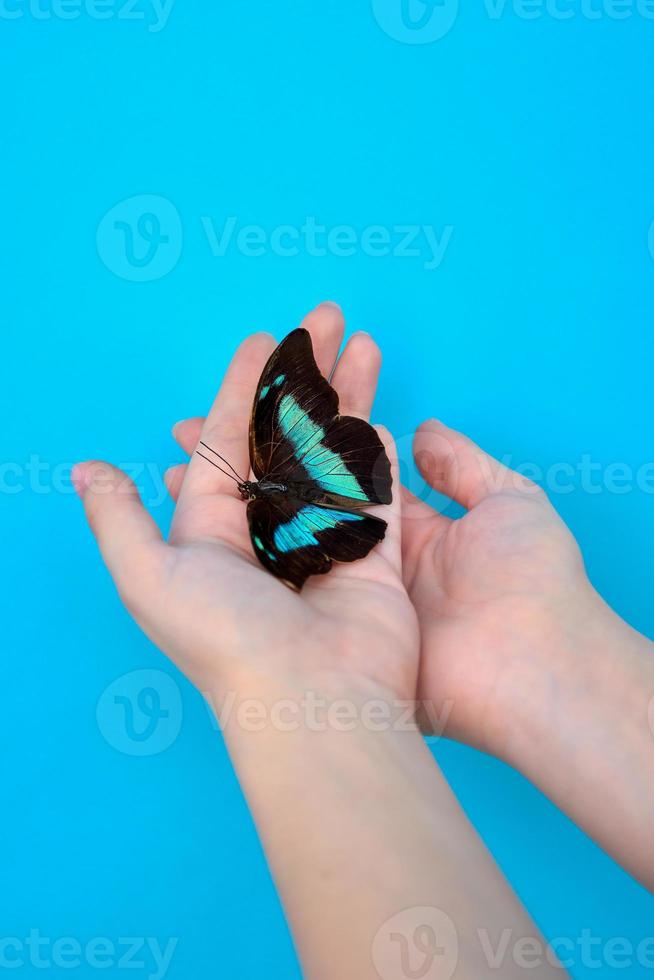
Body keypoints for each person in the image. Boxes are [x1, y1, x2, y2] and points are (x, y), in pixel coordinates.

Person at [73, 302, 654, 980]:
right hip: (328, 483)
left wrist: (305, 685)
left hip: (311, 514)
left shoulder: (266, 521)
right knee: (296, 508)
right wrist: (548, 657)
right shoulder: (265, 508)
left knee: (282, 521)